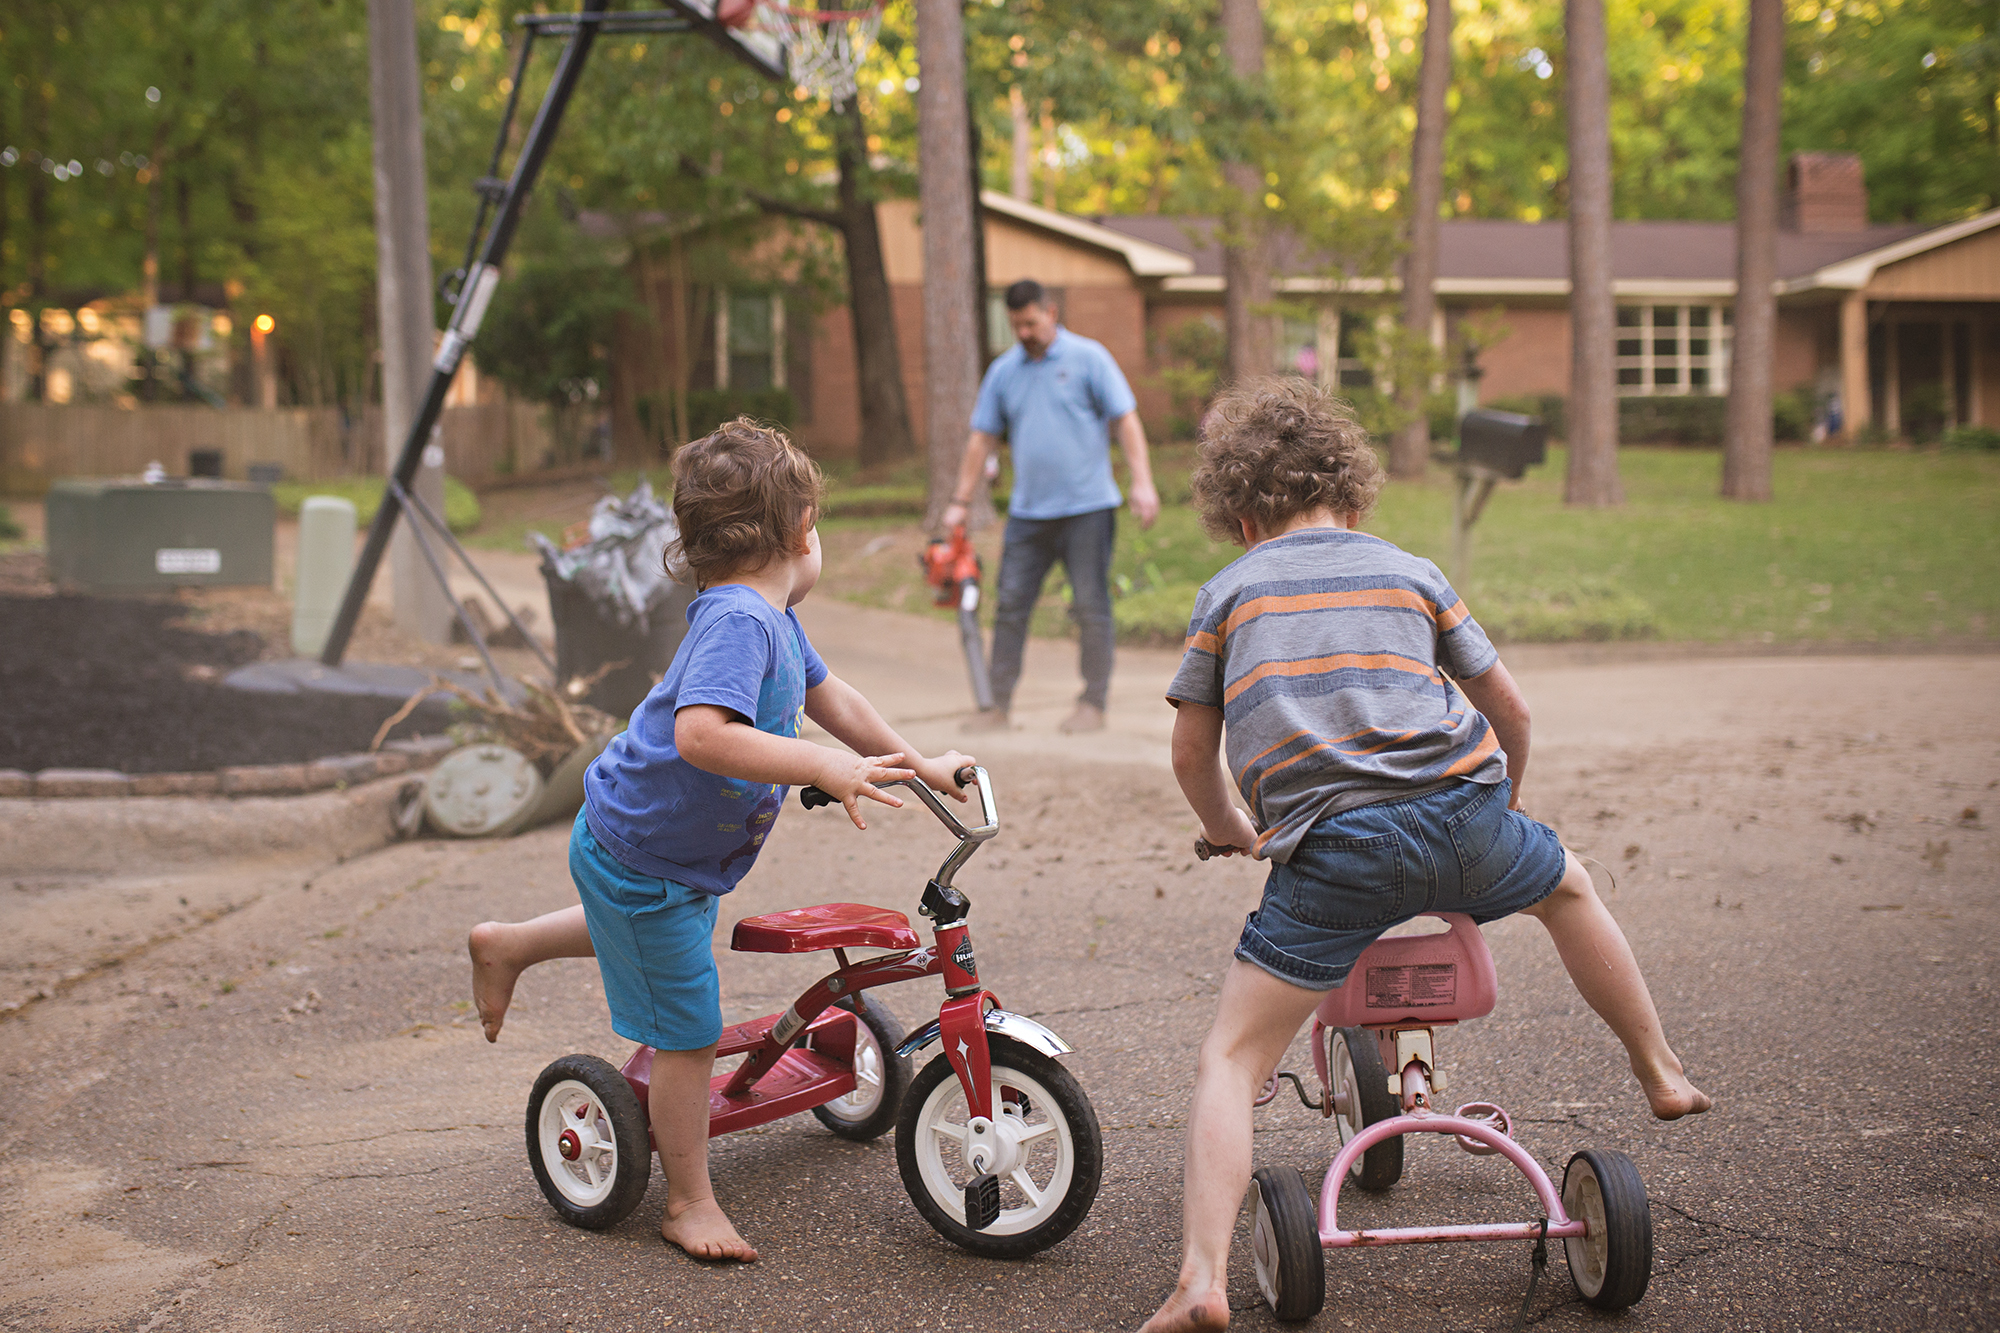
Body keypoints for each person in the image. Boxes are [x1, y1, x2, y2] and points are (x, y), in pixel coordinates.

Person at [1137, 378, 1710, 1333]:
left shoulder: (1227, 591)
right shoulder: (1410, 568)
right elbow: (1511, 710)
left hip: (1337, 848)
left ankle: (1202, 1279)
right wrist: (1503, 812)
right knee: (1569, 887)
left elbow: (1192, 752)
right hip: (1468, 810)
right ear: (1354, 503)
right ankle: (1658, 1068)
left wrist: (1234, 826)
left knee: (1232, 1056)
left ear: (1241, 518)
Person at [468, 419, 973, 1265]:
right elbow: (703, 734)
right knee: (689, 1028)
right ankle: (689, 1200)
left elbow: (830, 695)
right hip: (643, 848)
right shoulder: (739, 620)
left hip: (662, 848)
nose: (821, 541)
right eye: (817, 524)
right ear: (792, 534)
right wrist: (821, 764)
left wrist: (914, 763)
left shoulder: (771, 618)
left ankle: (508, 943)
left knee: (641, 930)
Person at [940, 278, 1160, 735]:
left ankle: (1092, 704)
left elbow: (1125, 419)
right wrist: (960, 501)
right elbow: (982, 437)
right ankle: (996, 707)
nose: (1023, 332)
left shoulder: (1089, 358)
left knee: (1090, 604)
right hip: (1029, 513)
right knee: (1010, 605)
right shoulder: (1004, 372)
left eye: (1031, 322)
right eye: (1016, 324)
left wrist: (1142, 482)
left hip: (1088, 508)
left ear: (1051, 313)